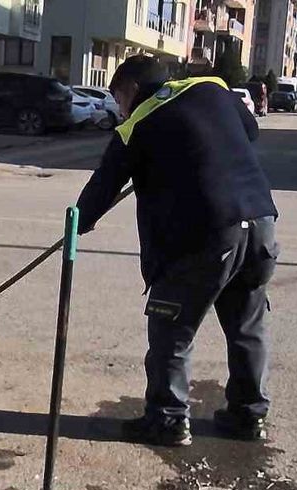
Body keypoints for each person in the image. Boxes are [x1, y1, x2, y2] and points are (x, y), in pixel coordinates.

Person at [76, 56, 279, 447]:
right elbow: (249, 132)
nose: (119, 107)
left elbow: (102, 186)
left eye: (118, 97)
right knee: (246, 328)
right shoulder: (213, 89)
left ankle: (167, 420)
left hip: (205, 236)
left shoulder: (139, 122)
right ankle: (248, 417)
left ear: (132, 89)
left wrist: (79, 222)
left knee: (172, 330)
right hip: (259, 224)